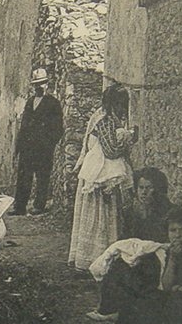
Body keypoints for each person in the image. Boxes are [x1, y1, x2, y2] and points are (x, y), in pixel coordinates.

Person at [86, 167, 171, 322]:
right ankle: (110, 309)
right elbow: (127, 237)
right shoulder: (132, 211)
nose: (143, 192)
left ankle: (134, 317)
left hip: (156, 256)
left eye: (149, 188)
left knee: (141, 272)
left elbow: (164, 239)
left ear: (158, 189)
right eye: (141, 188)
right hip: (136, 253)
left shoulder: (167, 211)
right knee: (116, 266)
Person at [68, 83, 137, 271]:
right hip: (98, 175)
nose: (123, 110)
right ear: (112, 103)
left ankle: (102, 257)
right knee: (100, 215)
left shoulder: (107, 117)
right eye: (120, 105)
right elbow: (111, 150)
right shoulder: (104, 120)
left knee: (105, 216)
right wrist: (130, 140)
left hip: (103, 173)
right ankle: (95, 259)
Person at [12, 68, 64, 215]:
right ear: (33, 86)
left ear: (47, 84)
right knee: (24, 177)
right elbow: (23, 126)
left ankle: (38, 206)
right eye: (36, 84)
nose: (39, 86)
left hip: (43, 149)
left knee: (42, 178)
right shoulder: (29, 102)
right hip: (27, 148)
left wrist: (49, 144)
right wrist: (19, 147)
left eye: (42, 83)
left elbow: (58, 129)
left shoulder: (53, 103)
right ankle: (20, 207)